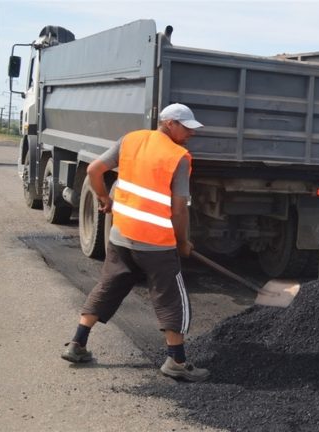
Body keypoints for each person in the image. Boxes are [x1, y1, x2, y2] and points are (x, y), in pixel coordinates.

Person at [61, 103, 209, 382]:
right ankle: (176, 361)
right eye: (186, 127)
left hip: (121, 236)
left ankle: (77, 344)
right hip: (155, 243)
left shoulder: (130, 140)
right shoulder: (179, 157)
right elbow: (179, 209)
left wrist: (106, 199)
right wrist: (183, 242)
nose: (191, 133)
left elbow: (94, 170)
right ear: (169, 124)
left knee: (108, 286)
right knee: (170, 297)